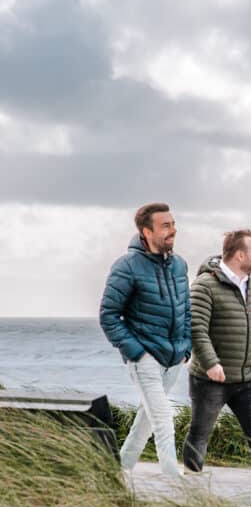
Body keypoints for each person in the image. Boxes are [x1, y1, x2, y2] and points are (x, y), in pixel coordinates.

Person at [100, 202, 191, 479]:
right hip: (146, 359)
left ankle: (120, 469)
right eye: (165, 226)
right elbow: (108, 315)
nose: (172, 230)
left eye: (173, 224)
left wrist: (186, 346)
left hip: (174, 358)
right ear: (146, 231)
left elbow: (186, 309)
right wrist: (137, 353)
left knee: (145, 421)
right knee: (163, 418)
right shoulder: (127, 266)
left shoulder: (179, 265)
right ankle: (173, 481)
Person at [182, 229, 251, 481]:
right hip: (211, 380)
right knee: (199, 434)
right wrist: (211, 363)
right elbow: (196, 329)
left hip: (248, 379)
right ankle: (191, 484)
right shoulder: (205, 285)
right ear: (240, 255)